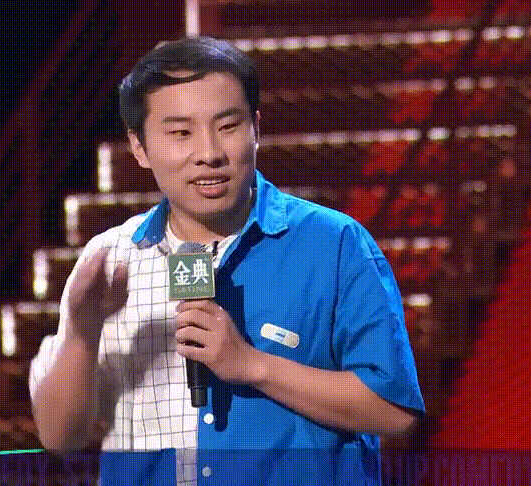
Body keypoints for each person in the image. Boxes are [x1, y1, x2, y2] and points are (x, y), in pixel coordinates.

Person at [29, 36, 424, 486]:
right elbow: (59, 436)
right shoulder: (111, 258)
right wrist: (81, 332)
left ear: (256, 128)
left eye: (228, 126)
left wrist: (252, 365)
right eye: (181, 133)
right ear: (139, 147)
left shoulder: (332, 244)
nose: (209, 154)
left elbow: (395, 412)